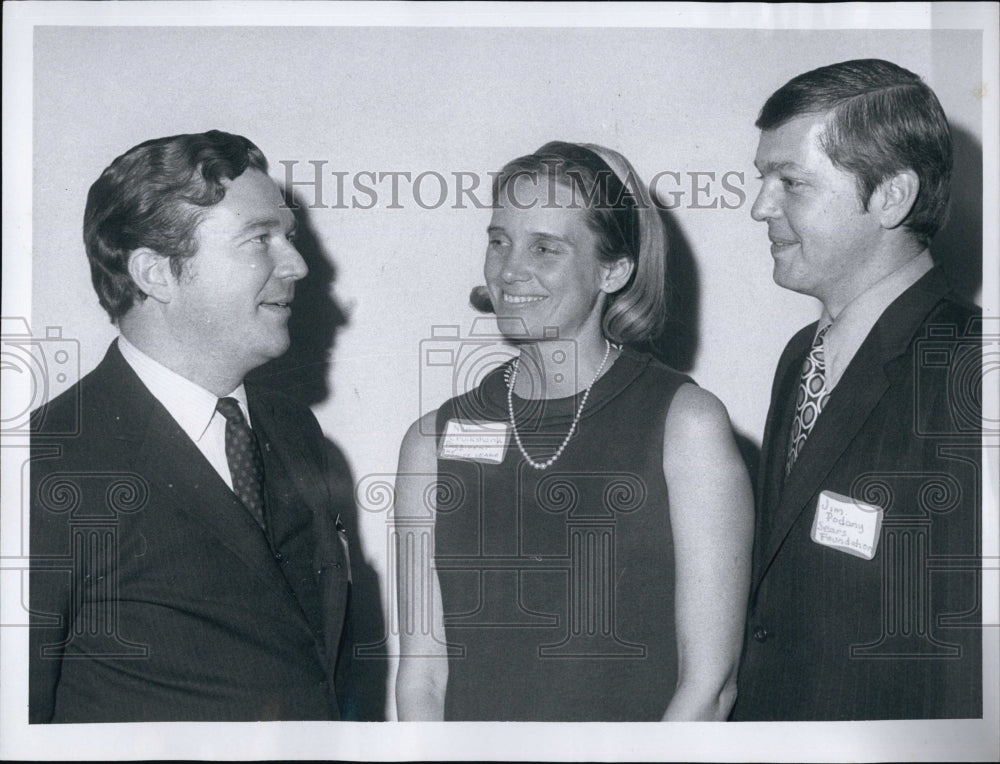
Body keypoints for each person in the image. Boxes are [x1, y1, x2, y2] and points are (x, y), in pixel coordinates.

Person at [394, 141, 753, 721]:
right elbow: (423, 679)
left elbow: (709, 687)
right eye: (499, 240)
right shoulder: (431, 440)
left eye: (545, 247)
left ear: (614, 269)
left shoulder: (685, 424)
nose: (510, 270)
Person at [29, 130, 352, 722]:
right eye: (259, 239)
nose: (298, 264)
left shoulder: (293, 430)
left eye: (289, 236)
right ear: (156, 273)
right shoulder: (47, 462)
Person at [731, 59, 982, 721]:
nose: (761, 206)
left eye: (791, 182)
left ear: (891, 196)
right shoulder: (800, 358)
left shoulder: (973, 369)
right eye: (763, 180)